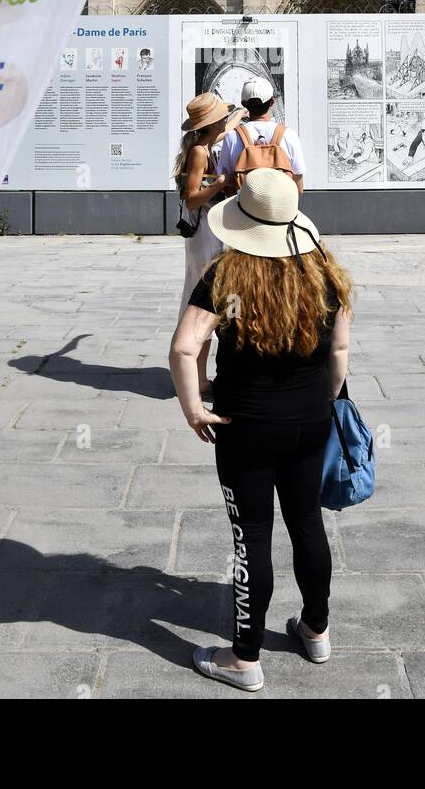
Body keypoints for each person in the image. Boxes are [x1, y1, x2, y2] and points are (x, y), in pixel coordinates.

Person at [168, 168, 353, 691]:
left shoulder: (226, 278)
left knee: (251, 536)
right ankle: (316, 630)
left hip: (244, 425)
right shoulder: (325, 273)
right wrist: (328, 400)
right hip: (310, 422)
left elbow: (184, 348)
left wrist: (193, 407)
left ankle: (244, 658)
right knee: (307, 523)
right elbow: (338, 352)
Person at [173, 94, 245, 393]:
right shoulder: (200, 153)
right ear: (212, 122)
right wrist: (218, 185)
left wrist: (241, 112)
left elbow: (233, 122)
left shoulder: (209, 142)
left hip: (211, 231)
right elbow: (190, 199)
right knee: (204, 298)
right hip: (204, 234)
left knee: (210, 297)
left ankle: (201, 377)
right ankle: (199, 380)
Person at [216, 76, 306, 195]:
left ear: (244, 104)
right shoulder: (289, 135)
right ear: (272, 102)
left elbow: (226, 184)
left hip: (243, 210)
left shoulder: (232, 137)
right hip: (279, 210)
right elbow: (298, 189)